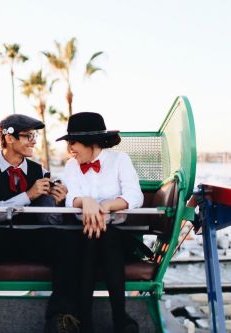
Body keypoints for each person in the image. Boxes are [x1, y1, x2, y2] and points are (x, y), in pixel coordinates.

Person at [0, 114, 81, 333]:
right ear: (9, 137)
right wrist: (28, 195)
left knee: (66, 238)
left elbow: (49, 221)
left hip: (31, 238)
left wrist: (59, 202)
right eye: (28, 136)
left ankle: (60, 318)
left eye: (34, 136)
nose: (34, 141)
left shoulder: (40, 171)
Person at [57, 112, 144, 333]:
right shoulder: (72, 166)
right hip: (83, 234)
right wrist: (85, 201)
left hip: (118, 234)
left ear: (91, 142)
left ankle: (86, 321)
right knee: (91, 236)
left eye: (73, 142)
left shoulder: (120, 160)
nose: (70, 149)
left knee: (104, 235)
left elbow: (135, 196)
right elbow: (70, 198)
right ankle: (119, 318)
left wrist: (104, 206)